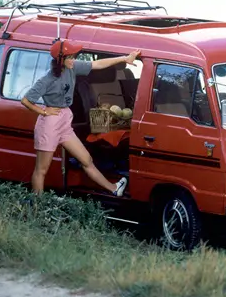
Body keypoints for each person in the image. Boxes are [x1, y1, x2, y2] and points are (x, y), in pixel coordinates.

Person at [21, 39, 140, 196]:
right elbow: (26, 100)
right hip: (49, 124)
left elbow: (98, 65)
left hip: (64, 120)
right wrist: (44, 112)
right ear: (60, 60)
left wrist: (124, 58)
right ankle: (36, 209)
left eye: (74, 56)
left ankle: (114, 189)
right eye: (70, 57)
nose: (74, 59)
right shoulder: (47, 80)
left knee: (86, 160)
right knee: (41, 170)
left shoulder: (72, 68)